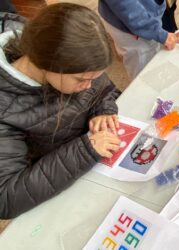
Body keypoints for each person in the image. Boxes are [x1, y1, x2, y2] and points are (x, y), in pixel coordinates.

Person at [0, 3, 122, 219]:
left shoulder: (75, 63)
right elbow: (6, 197)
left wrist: (104, 109)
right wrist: (85, 151)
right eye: (83, 80)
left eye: (93, 78)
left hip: (88, 171)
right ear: (48, 65)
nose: (89, 85)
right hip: (57, 190)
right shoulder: (5, 109)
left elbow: (105, 90)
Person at [98, 0, 179, 81]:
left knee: (154, 60)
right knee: (143, 69)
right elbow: (127, 8)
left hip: (145, 14)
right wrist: (158, 32)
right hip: (130, 23)